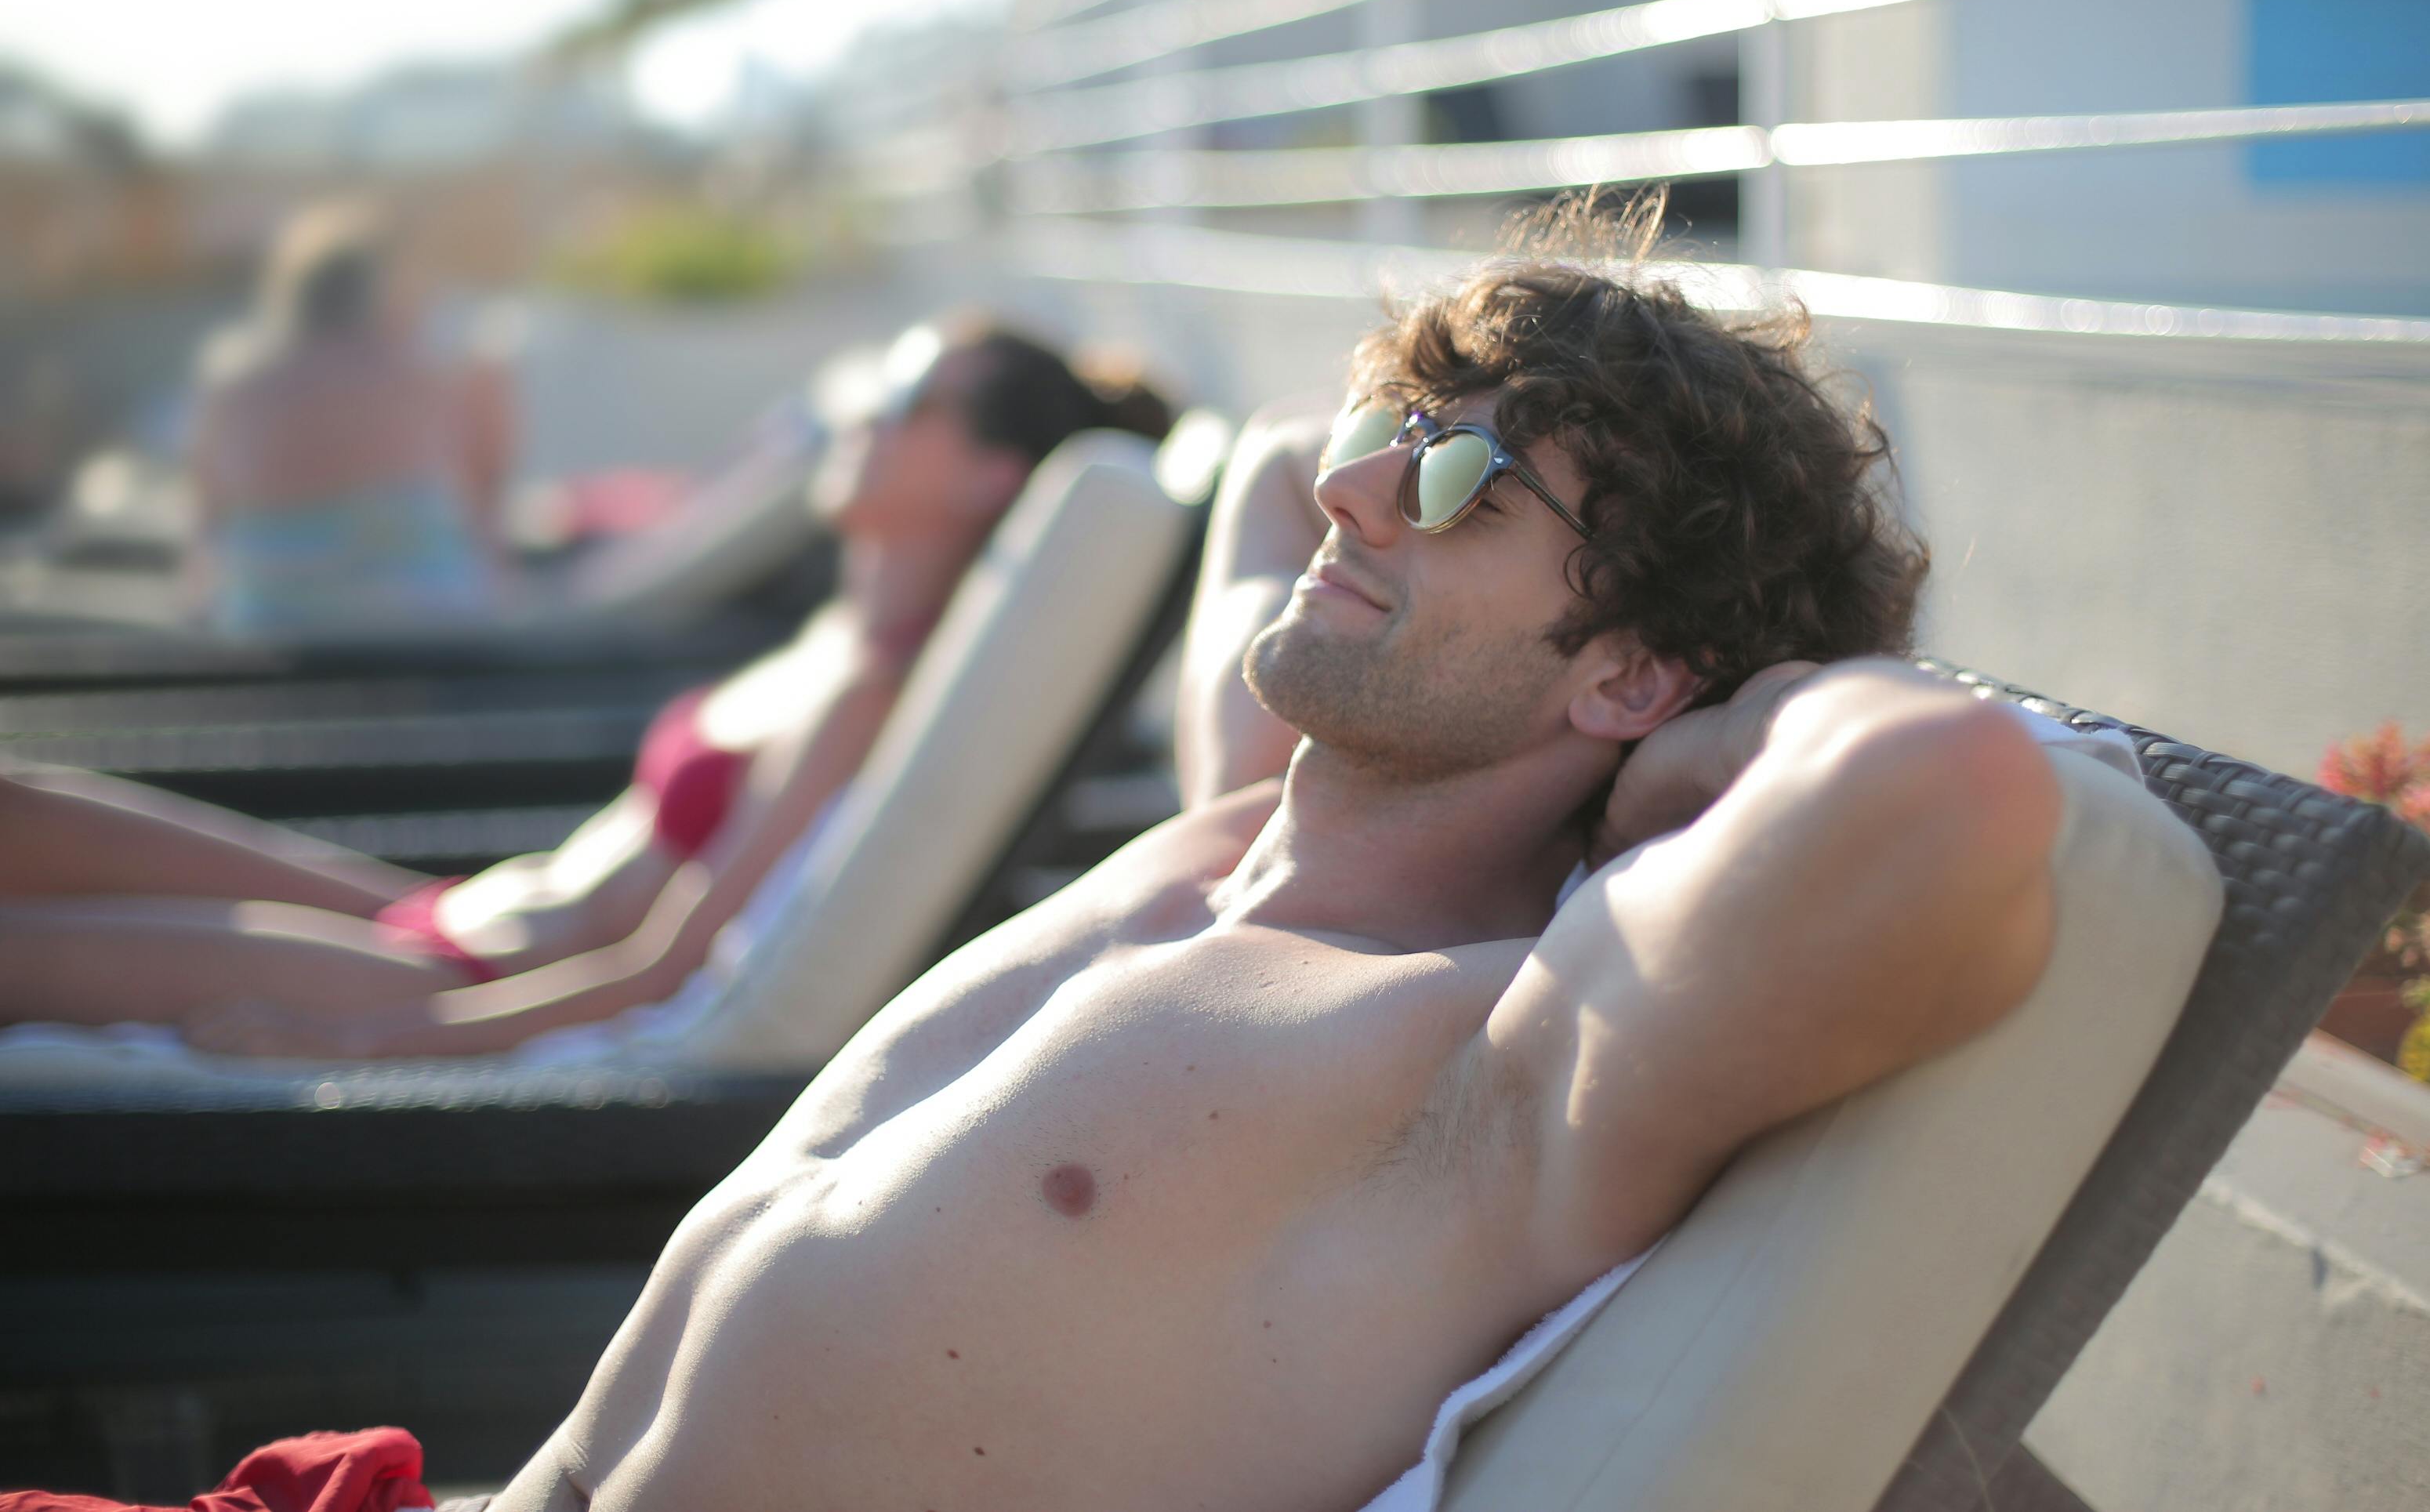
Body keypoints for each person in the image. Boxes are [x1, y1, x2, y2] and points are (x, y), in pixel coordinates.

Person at [3, 197, 2062, 1512]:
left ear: (1625, 673)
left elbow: (1943, 795)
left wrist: (1721, 712)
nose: (1356, 483)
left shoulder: (1495, 1065)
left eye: (1458, 479)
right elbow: (1269, 465)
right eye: (1393, 429)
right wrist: (1492, 476)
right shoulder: (1218, 841)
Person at [0, 319, 1173, 1057]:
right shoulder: (832, 629)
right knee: (25, 805)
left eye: (911, 396)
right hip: (441, 907)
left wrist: (373, 1036)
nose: (862, 409)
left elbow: (661, 970)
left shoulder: (870, 688)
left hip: (458, 975)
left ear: (988, 475)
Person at [185, 201, 516, 632]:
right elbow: (485, 513)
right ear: (390, 290)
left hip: (270, 642)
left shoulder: (230, 383)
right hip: (427, 642)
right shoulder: (445, 373)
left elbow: (205, 531)